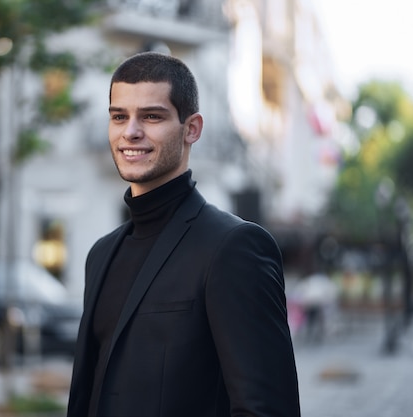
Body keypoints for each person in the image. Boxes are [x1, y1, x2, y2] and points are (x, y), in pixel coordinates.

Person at [67, 51, 300, 417]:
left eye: (152, 116)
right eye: (119, 117)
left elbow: (266, 409)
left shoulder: (234, 248)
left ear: (192, 128)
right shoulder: (100, 254)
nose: (131, 131)